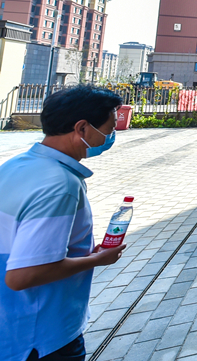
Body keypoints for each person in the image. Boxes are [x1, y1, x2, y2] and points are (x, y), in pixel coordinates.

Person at [0, 85, 126, 361]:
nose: (110, 137)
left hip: (10, 328)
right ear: (82, 128)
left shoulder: (14, 166)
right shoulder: (60, 186)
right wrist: (97, 259)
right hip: (42, 337)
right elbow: (23, 275)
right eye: (109, 129)